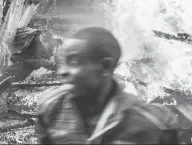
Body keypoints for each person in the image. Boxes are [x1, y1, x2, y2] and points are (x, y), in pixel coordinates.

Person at [35, 27, 179, 144]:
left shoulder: (152, 122)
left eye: (74, 61)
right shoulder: (50, 108)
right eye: (63, 62)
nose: (62, 72)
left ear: (105, 66)